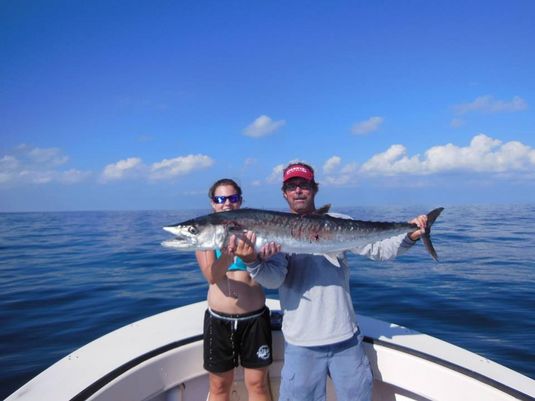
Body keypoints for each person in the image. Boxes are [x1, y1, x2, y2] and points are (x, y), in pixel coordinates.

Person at [234, 162, 428, 401]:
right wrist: (252, 261)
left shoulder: (338, 221)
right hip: (301, 343)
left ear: (314, 189)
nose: (298, 191)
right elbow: (274, 281)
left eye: (304, 185)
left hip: (346, 338)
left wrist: (410, 235)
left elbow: (379, 249)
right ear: (284, 193)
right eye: (292, 186)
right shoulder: (272, 231)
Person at [196, 178, 273, 401]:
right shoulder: (206, 235)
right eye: (220, 199)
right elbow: (211, 276)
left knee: (258, 385)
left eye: (233, 198)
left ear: (240, 201)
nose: (227, 203)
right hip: (219, 321)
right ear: (213, 203)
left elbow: (270, 273)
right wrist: (229, 255)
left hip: (255, 319)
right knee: (219, 386)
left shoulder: (257, 230)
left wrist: (263, 255)